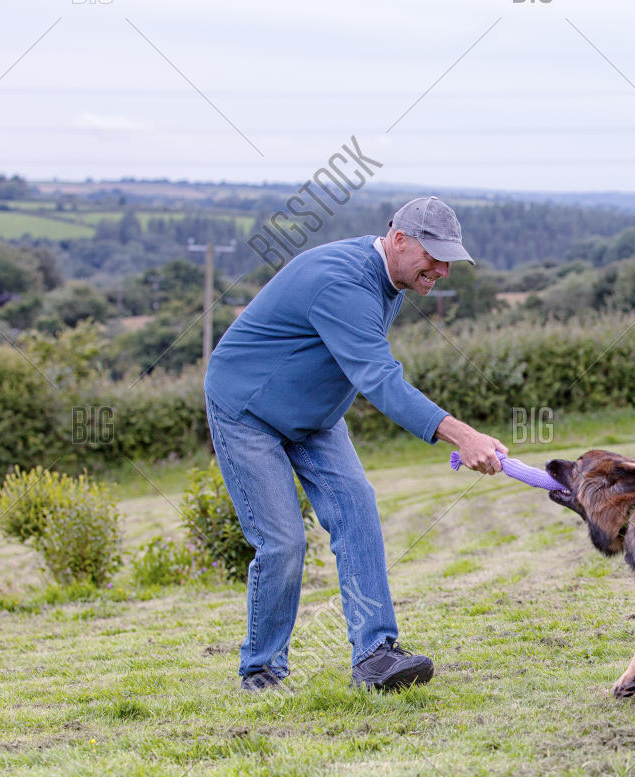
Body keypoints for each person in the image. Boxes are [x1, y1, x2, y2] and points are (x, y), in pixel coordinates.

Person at [203, 196, 506, 692]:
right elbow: (380, 379)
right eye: (435, 255)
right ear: (400, 239)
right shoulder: (342, 280)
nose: (444, 269)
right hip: (248, 409)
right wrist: (460, 432)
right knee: (282, 541)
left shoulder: (390, 278)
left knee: (357, 511)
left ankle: (375, 656)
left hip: (314, 416)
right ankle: (260, 671)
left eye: (450, 258)